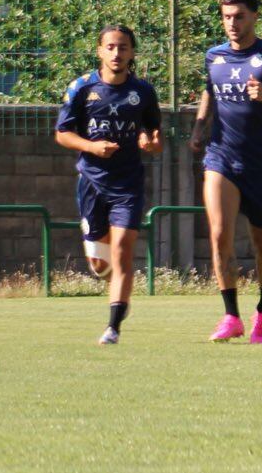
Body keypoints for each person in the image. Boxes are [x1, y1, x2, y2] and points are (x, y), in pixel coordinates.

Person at [189, 0, 262, 344]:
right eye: (226, 17)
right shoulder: (214, 56)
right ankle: (230, 316)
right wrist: (198, 128)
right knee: (220, 233)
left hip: (259, 163)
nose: (232, 24)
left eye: (239, 16)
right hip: (220, 156)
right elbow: (210, 90)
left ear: (254, 17)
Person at [55, 24, 162, 346]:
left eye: (124, 48)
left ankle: (113, 325)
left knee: (122, 252)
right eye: (111, 47)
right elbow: (62, 134)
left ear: (132, 52)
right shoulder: (82, 88)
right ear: (100, 50)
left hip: (128, 184)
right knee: (100, 265)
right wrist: (92, 147)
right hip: (91, 182)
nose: (117, 53)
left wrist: (151, 142)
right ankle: (118, 289)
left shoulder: (143, 91)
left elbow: (154, 134)